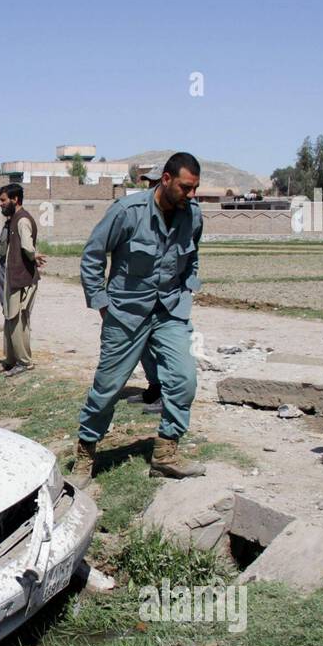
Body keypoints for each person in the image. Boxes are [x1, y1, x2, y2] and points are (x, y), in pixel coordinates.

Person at [72, 152, 206, 485]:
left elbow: (193, 256)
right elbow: (92, 256)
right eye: (186, 187)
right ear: (166, 180)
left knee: (184, 379)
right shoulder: (127, 213)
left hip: (169, 311)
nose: (191, 195)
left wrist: (187, 287)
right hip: (126, 315)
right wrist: (102, 303)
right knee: (108, 388)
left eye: (195, 189)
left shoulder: (193, 216)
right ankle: (86, 453)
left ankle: (165, 453)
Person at [0, 184, 44, 377]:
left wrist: (34, 256)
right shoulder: (12, 220)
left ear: (15, 200)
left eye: (3, 200)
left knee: (17, 319)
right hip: (13, 276)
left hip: (22, 278)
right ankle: (10, 360)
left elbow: (27, 246)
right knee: (9, 318)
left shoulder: (22, 220)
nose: (0, 204)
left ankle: (24, 362)